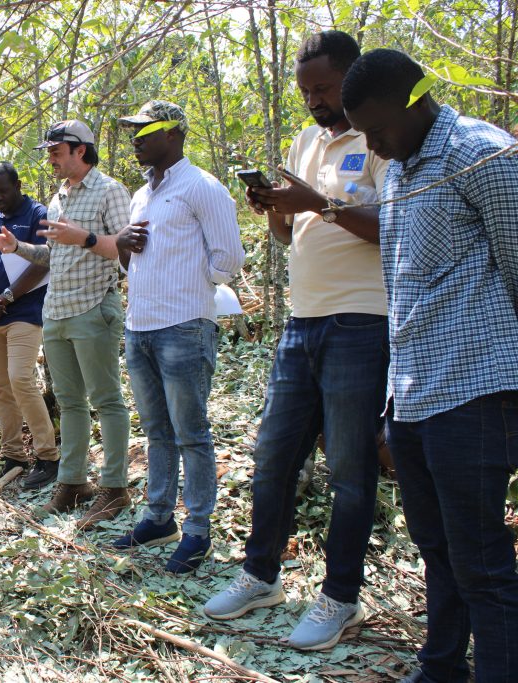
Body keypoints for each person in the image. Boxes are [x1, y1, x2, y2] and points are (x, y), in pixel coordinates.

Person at [204, 31, 390, 652]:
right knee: (275, 457)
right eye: (305, 90)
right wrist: (278, 210)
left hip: (362, 321)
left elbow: (395, 230)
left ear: (353, 77)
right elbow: (289, 239)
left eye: (323, 88)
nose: (312, 101)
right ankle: (261, 576)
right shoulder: (307, 140)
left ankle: (340, 597)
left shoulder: (384, 136)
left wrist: (323, 204)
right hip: (302, 320)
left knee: (349, 470)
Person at [343, 48, 518, 683]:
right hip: (415, 392)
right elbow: (401, 285)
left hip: (477, 387)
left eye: (378, 128)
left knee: (481, 560)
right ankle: (441, 667)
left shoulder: (483, 155)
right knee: (438, 549)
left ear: (414, 102)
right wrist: (394, 404)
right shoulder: (396, 172)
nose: (373, 145)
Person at [106, 101, 244, 574]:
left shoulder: (201, 187)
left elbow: (228, 256)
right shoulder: (141, 195)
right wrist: (126, 249)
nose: (136, 140)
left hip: (184, 326)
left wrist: (191, 288)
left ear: (174, 134)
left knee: (191, 432)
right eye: (133, 132)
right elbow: (133, 259)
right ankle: (159, 517)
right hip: (139, 326)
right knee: (157, 429)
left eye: (145, 131)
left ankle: (199, 530)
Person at [0, 120, 132, 528]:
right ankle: (72, 482)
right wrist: (19, 247)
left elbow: (127, 253)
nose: (49, 158)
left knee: (107, 399)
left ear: (80, 150)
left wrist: (84, 237)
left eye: (55, 150)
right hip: (57, 311)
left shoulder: (110, 190)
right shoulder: (59, 196)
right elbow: (54, 255)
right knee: (69, 402)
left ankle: (115, 488)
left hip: (92, 307)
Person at [0, 162, 59, 489]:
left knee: (20, 378)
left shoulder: (37, 213)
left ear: (18, 185)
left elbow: (44, 261)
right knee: (1, 387)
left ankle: (48, 456)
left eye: (3, 190)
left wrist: (8, 297)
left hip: (24, 311)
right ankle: (13, 456)